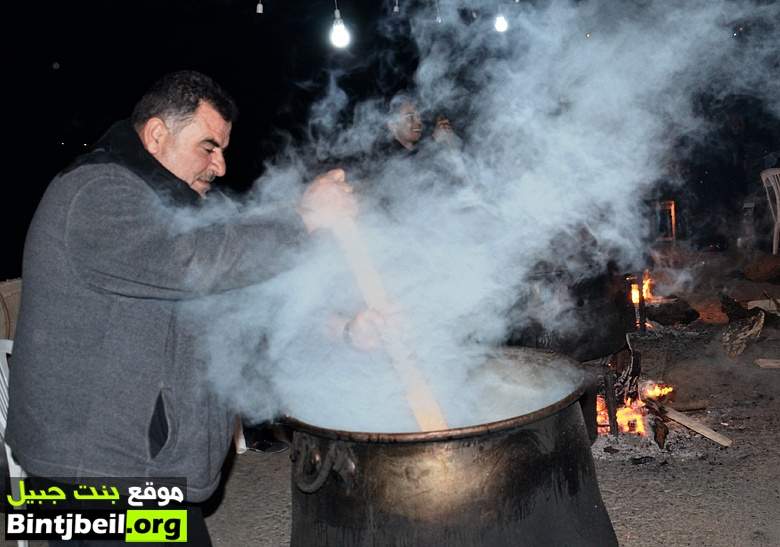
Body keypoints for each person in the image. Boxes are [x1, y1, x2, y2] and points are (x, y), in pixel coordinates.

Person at [4, 70, 366, 544]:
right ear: (157, 135)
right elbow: (189, 263)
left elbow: (236, 306)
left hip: (140, 476)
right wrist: (302, 220)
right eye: (208, 147)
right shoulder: (94, 191)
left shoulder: (170, 210)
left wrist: (342, 330)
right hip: (90, 481)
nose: (220, 167)